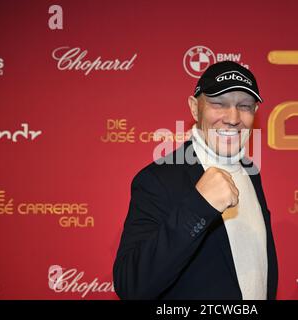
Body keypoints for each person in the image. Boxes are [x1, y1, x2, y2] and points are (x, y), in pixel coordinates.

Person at [113, 61, 278, 299]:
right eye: (218, 104)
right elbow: (131, 285)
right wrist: (199, 205)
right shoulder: (157, 179)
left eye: (244, 106)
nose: (233, 118)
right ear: (194, 108)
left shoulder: (251, 171)